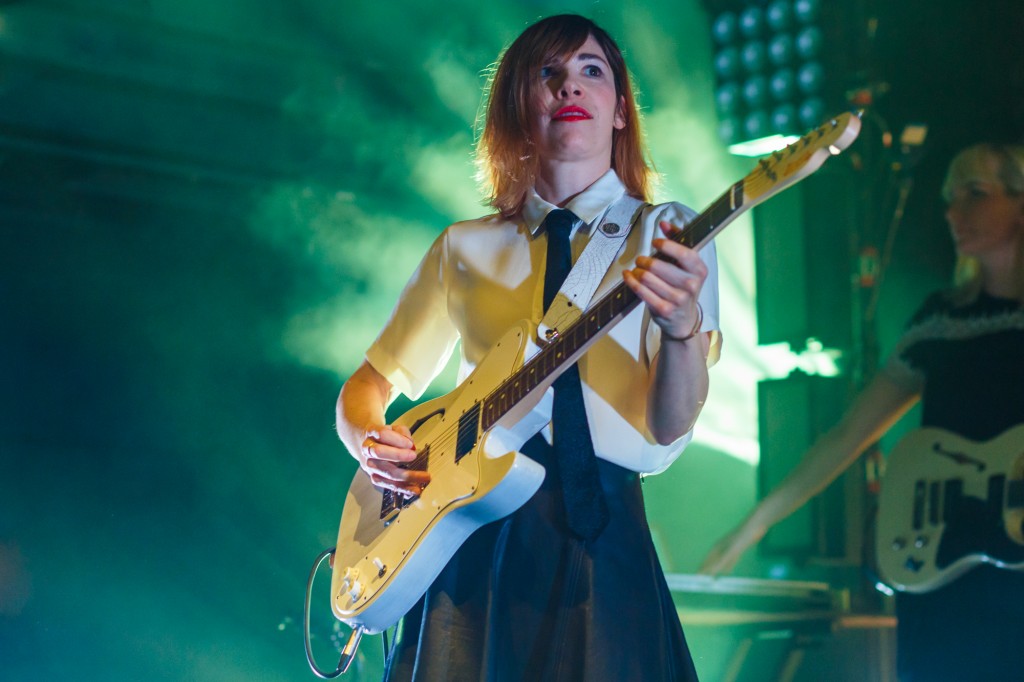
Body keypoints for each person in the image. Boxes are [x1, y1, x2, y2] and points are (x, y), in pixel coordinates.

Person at [335, 14, 722, 682]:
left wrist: (683, 325)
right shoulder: (465, 246)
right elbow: (369, 383)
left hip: (602, 527)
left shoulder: (667, 234)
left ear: (620, 109)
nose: (570, 83)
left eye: (591, 70)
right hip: (470, 530)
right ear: (518, 104)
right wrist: (370, 441)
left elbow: (671, 424)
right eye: (549, 72)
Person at [700, 143, 1024, 681]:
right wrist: (753, 525)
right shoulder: (941, 319)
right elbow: (846, 436)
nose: (953, 213)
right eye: (949, 199)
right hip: (938, 574)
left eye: (976, 194)